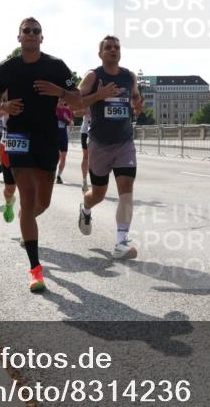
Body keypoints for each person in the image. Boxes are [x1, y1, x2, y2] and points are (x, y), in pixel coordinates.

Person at [0, 17, 116, 292]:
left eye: (36, 31)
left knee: (41, 204)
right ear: (19, 37)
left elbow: (77, 100)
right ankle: (35, 269)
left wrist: (58, 91)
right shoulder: (7, 69)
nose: (31, 34)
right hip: (19, 136)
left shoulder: (56, 67)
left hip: (47, 138)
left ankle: (25, 218)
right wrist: (4, 106)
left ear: (42, 38)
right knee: (26, 194)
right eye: (26, 31)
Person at [76, 35, 144, 260]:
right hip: (99, 144)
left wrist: (137, 104)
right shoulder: (93, 76)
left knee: (126, 192)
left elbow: (135, 98)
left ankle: (121, 242)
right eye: (108, 48)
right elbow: (74, 104)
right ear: (100, 54)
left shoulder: (129, 76)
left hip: (124, 143)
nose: (113, 50)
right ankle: (86, 207)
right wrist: (100, 95)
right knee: (98, 194)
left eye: (117, 47)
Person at [54, 99, 74, 183]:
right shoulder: (53, 108)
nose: (62, 102)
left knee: (63, 157)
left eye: (63, 100)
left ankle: (59, 176)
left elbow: (72, 125)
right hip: (54, 137)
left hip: (63, 137)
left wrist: (68, 119)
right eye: (60, 100)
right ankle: (51, 174)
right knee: (56, 157)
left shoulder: (67, 110)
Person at [76, 108, 91, 193]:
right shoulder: (85, 99)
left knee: (95, 157)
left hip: (97, 131)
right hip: (85, 132)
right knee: (85, 156)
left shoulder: (101, 98)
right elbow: (75, 112)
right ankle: (84, 181)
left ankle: (91, 170)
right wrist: (84, 111)